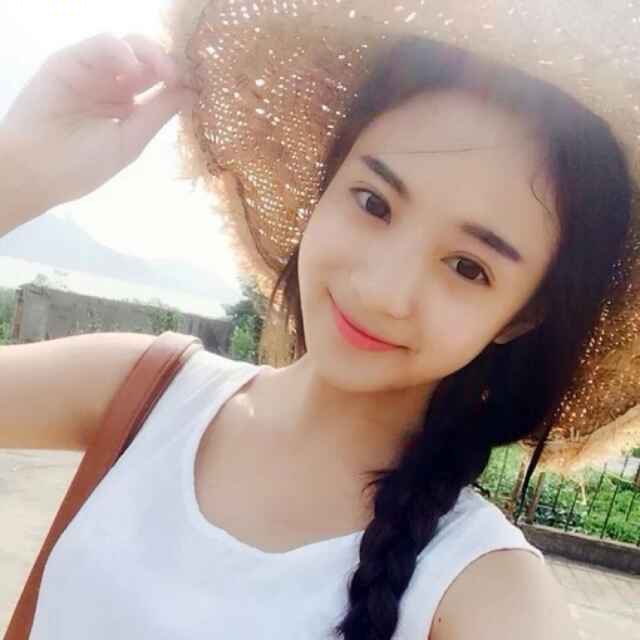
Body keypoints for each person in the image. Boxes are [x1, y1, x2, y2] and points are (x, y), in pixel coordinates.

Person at [0, 4, 636, 638]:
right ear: (327, 186)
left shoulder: (485, 590)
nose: (383, 290)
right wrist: (19, 174)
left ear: (522, 315)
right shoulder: (148, 392)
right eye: (374, 203)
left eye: (468, 267)